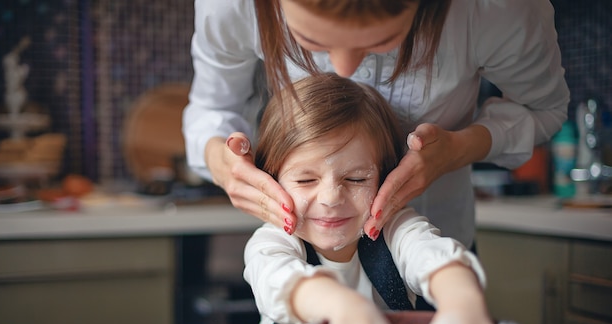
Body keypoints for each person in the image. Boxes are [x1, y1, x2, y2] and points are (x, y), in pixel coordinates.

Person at [182, 0, 570, 249]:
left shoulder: (498, 10)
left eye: (383, 39)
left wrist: (457, 150)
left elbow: (545, 109)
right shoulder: (230, 6)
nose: (345, 68)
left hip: (438, 234)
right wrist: (222, 163)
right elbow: (210, 110)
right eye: (310, 39)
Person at [244, 72, 499, 324]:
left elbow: (431, 254)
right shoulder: (272, 243)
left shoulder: (394, 228)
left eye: (356, 179)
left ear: (385, 178)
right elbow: (275, 278)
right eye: (305, 180)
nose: (331, 198)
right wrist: (339, 305)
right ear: (271, 182)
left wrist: (461, 300)